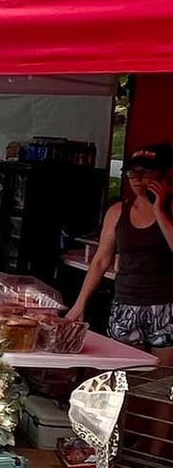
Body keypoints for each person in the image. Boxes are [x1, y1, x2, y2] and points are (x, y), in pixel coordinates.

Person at [68, 144, 173, 363]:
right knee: (124, 375)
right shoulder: (117, 212)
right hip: (126, 302)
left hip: (165, 304)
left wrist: (159, 212)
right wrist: (80, 303)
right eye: (132, 173)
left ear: (161, 174)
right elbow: (100, 261)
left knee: (161, 380)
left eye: (145, 173)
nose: (137, 179)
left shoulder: (169, 211)